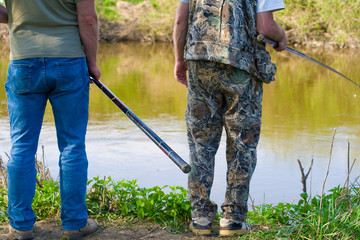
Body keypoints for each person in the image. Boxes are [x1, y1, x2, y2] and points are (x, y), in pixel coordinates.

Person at [173, 0, 287, 237]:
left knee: (201, 142)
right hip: (241, 66)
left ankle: (201, 218)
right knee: (242, 143)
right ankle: (233, 219)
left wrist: (179, 59)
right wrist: (282, 36)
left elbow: (180, 20)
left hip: (199, 59)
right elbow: (265, 26)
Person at [0, 0, 100, 239]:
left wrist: (15, 15)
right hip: (69, 60)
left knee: (22, 147)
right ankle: (75, 223)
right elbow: (88, 19)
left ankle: (21, 225)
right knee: (72, 145)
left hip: (24, 61)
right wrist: (93, 64)